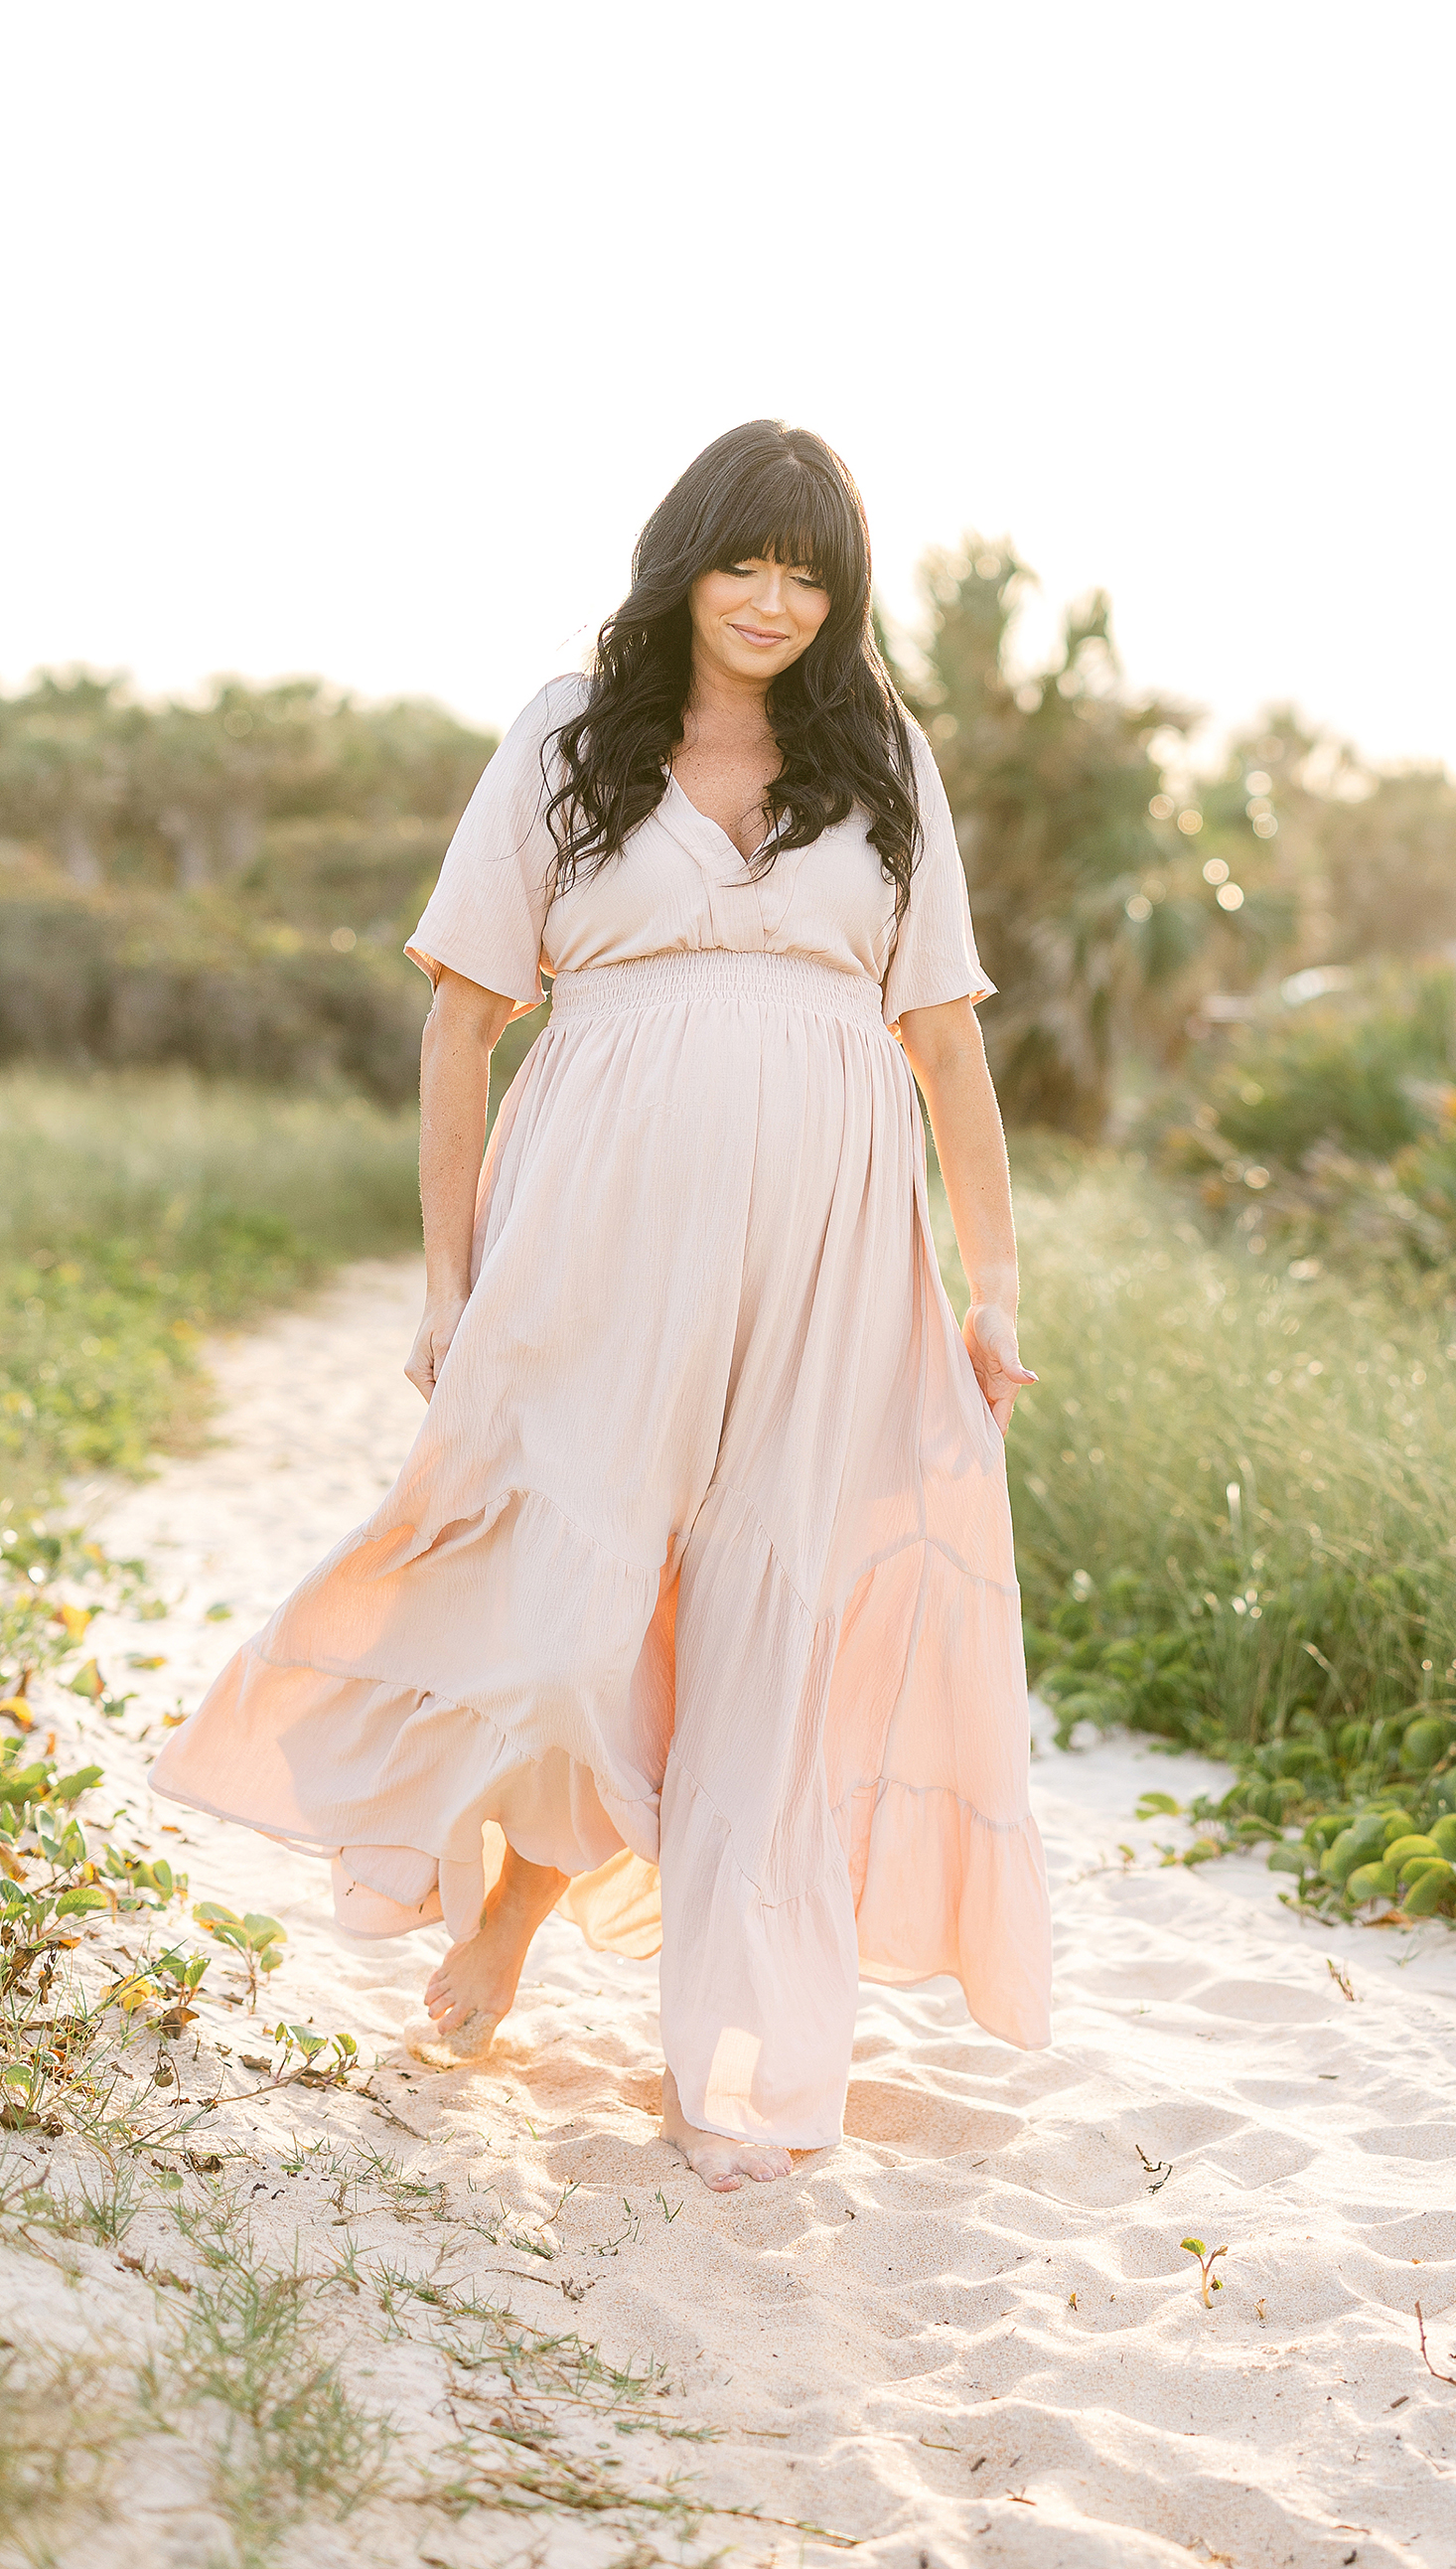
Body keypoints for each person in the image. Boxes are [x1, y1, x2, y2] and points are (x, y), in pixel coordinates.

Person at [152, 419, 1052, 2191]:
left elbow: (942, 1038)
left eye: (809, 570)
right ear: (685, 564)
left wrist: (992, 1282)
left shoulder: (879, 756)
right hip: (593, 1228)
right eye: (746, 562)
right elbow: (463, 1016)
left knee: (759, 1629)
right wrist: (445, 1275)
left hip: (829, 1247)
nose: (777, 600)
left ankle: (735, 2055)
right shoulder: (572, 735)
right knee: (566, 1604)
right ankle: (492, 1912)